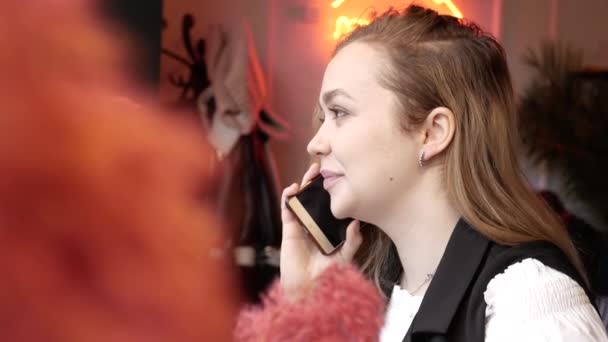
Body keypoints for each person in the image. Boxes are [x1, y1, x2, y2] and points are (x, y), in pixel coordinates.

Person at [279, 5, 608, 341]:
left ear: (433, 132)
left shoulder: (528, 304)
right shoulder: (378, 297)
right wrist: (308, 303)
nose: (315, 144)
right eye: (324, 117)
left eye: (340, 112)